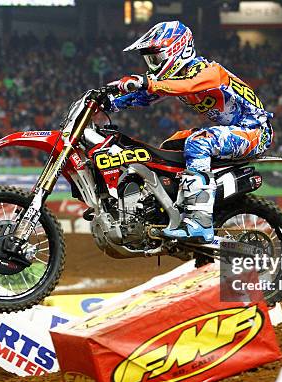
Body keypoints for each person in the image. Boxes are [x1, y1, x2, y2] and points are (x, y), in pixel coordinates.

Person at [108, 21, 273, 242]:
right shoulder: (174, 78)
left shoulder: (210, 71)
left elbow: (188, 86)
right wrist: (108, 102)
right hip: (230, 131)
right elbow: (144, 96)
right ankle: (170, 209)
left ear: (177, 49)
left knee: (198, 142)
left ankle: (201, 221)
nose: (153, 64)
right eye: (149, 59)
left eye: (155, 57)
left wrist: (146, 82)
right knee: (169, 147)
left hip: (254, 132)